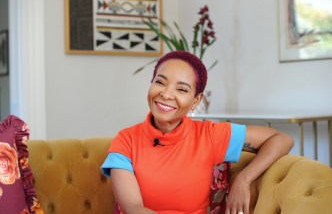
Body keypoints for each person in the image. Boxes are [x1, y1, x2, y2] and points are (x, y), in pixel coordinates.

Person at [101, 51, 294, 214]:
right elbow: (133, 209)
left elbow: (281, 139)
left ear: (195, 101)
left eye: (182, 89)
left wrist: (244, 178)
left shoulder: (210, 135)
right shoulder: (126, 140)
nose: (167, 94)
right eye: (160, 82)